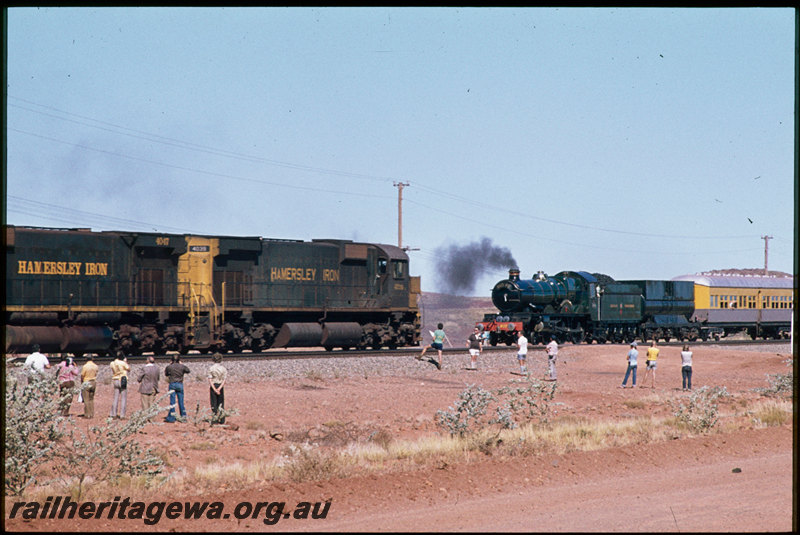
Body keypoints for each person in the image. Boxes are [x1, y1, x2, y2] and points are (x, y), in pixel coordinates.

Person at [164, 355, 191, 422]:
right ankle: (183, 416)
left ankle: (171, 417)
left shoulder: (169, 367)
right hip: (180, 384)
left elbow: (166, 374)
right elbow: (188, 371)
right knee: (181, 401)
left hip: (172, 383)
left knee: (172, 401)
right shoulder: (182, 366)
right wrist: (182, 364)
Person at [207, 353, 228, 424]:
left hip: (213, 386)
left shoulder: (211, 368)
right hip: (220, 386)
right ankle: (222, 419)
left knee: (214, 403)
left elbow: (210, 379)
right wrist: (219, 389)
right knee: (221, 403)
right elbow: (224, 380)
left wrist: (215, 389)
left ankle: (215, 419)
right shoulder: (223, 369)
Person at [109, 355, 131, 419]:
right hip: (122, 380)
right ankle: (122, 415)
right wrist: (125, 362)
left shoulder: (112, 363)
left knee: (115, 398)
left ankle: (113, 414)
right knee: (123, 398)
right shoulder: (123, 363)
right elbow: (129, 369)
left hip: (115, 380)